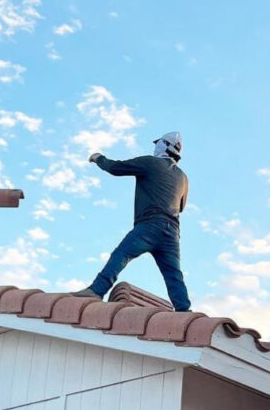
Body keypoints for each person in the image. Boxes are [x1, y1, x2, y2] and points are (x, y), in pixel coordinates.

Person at [73, 131, 191, 311]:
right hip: (172, 232)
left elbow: (115, 167)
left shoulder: (151, 163)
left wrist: (98, 158)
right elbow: (181, 206)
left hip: (150, 225)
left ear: (164, 145)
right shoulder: (183, 178)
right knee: (174, 276)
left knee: (121, 254)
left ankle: (97, 290)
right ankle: (184, 311)